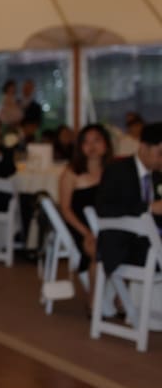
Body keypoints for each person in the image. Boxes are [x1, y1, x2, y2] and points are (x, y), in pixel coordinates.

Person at [96, 122, 162, 276]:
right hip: (125, 244)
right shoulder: (117, 171)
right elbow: (105, 208)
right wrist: (149, 207)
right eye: (160, 153)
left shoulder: (157, 174)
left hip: (152, 240)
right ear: (144, 147)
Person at [58, 125, 112, 307]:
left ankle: (121, 299)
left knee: (129, 247)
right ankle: (94, 302)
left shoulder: (114, 172)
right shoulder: (71, 173)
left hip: (108, 226)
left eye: (96, 140)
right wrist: (86, 232)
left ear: (106, 144)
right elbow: (65, 209)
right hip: (80, 227)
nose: (92, 146)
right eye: (86, 142)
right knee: (97, 252)